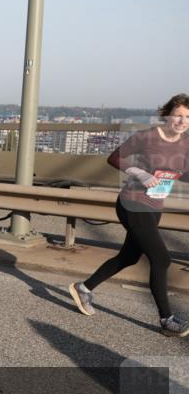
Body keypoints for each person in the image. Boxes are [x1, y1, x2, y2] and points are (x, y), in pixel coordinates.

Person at [69, 94, 189, 338]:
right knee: (161, 259)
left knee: (128, 257)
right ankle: (167, 319)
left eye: (187, 117)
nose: (182, 121)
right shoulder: (147, 136)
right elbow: (114, 158)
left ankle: (83, 288)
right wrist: (142, 174)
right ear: (167, 114)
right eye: (178, 115)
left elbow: (184, 174)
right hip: (133, 203)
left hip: (154, 206)